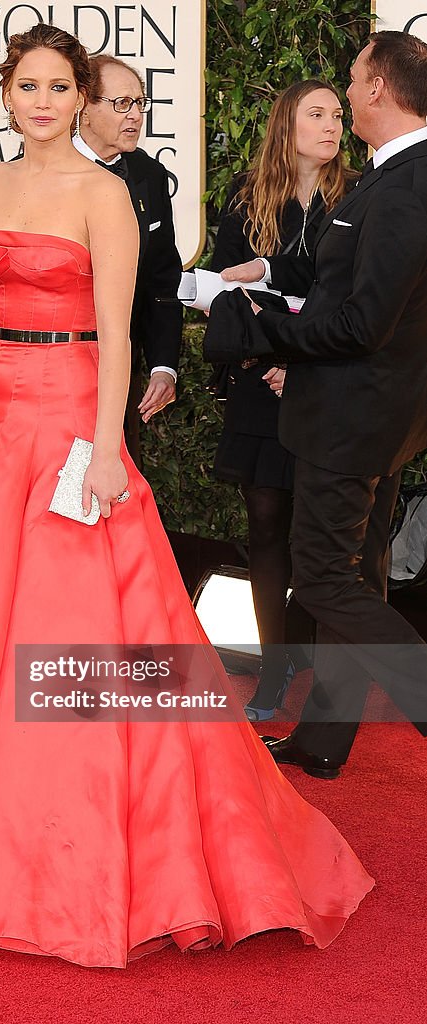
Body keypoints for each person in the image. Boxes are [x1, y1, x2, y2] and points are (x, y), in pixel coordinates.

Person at [0, 23, 373, 968]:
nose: (41, 102)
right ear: (4, 93)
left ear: (79, 99)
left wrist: (106, 448)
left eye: (58, 87)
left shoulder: (104, 192)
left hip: (69, 421)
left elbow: (115, 330)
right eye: (26, 85)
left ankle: (88, 850)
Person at [212, 31, 427, 779]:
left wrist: (261, 327)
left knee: (326, 581)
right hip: (373, 418)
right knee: (355, 580)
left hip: (351, 419)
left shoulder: (405, 185)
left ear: (375, 90)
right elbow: (345, 276)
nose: (344, 93)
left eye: (351, 78)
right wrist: (270, 273)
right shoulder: (391, 175)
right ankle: (322, 740)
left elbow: (361, 322)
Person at [210, 81, 352, 722]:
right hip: (259, 385)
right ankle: (274, 665)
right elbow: (226, 290)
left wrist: (300, 363)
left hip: (325, 384)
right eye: (316, 113)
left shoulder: (360, 195)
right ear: (285, 122)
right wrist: (269, 360)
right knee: (265, 528)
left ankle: (300, 650)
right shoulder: (244, 198)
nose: (331, 125)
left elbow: (349, 297)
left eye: (338, 114)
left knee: (314, 531)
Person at [74, 54, 183, 466]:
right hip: (52, 368)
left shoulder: (149, 176)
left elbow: (161, 280)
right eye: (122, 104)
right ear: (85, 105)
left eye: (140, 103)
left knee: (113, 489)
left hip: (121, 374)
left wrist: (163, 367)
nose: (135, 115)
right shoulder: (35, 174)